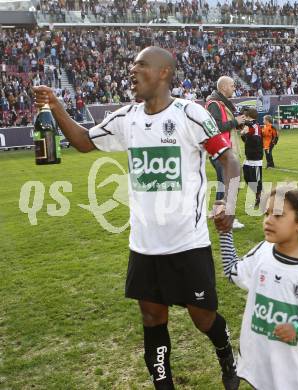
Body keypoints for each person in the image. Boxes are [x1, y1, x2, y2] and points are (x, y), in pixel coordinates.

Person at [33, 46, 241, 390]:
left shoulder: (190, 114)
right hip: (144, 246)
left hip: (188, 243)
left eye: (141, 65)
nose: (133, 71)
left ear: (163, 73)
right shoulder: (126, 118)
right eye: (132, 65)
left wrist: (228, 204)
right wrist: (56, 106)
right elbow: (85, 142)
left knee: (203, 318)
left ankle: (226, 357)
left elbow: (229, 160)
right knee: (152, 317)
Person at [213, 185, 298, 390]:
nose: (268, 220)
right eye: (266, 213)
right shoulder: (264, 251)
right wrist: (225, 231)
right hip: (266, 361)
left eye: (278, 214)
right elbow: (232, 271)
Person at [205, 76, 246, 229]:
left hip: (221, 150)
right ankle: (227, 218)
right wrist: (236, 122)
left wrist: (237, 125)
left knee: (223, 185)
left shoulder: (218, 103)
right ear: (223, 88)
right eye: (232, 85)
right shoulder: (214, 104)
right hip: (220, 151)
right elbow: (216, 127)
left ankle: (217, 213)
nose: (234, 88)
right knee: (229, 185)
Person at [240, 107, 263, 207]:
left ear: (249, 115)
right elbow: (246, 140)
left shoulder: (255, 125)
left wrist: (247, 134)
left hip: (256, 157)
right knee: (247, 176)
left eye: (245, 115)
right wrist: (243, 135)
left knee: (256, 179)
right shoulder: (248, 125)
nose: (243, 117)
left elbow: (257, 140)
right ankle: (259, 196)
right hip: (248, 156)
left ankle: (260, 198)